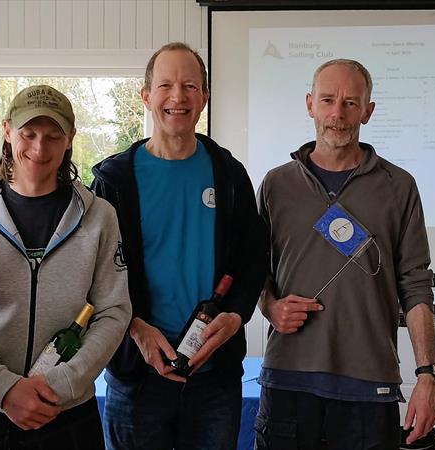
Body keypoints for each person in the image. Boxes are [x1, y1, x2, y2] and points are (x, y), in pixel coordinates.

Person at [255, 59, 435, 449]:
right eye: (327, 100)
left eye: (351, 103)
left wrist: (426, 375)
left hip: (368, 386)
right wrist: (269, 306)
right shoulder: (275, 184)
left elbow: (417, 287)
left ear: (368, 112)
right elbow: (253, 270)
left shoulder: (399, 187)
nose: (337, 114)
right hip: (288, 379)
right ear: (310, 104)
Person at [91, 42, 268, 450]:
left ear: (204, 97)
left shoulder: (228, 174)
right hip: (137, 379)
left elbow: (252, 258)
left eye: (190, 86)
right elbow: (95, 273)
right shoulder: (114, 181)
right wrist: (134, 327)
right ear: (146, 95)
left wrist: (237, 315)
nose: (178, 97)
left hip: (213, 381)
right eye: (166, 85)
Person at [0, 84, 132, 450]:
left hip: (69, 410)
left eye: (53, 136)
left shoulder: (99, 216)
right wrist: (4, 388)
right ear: (7, 131)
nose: (39, 148)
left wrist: (61, 384)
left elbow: (113, 311)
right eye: (28, 134)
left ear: (70, 139)